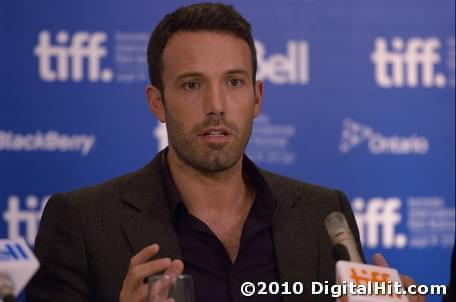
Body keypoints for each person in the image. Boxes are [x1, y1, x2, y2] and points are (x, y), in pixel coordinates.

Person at [26, 3, 420, 302]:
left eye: (233, 81)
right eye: (192, 85)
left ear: (256, 97)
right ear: (157, 103)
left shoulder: (323, 214)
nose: (216, 104)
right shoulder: (80, 222)